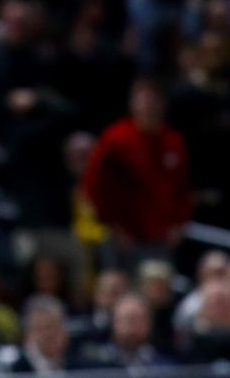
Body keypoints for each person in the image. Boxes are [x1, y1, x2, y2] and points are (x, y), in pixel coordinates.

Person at [81, 78, 191, 264]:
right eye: (143, 101)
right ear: (133, 104)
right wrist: (113, 225)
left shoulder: (173, 141)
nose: (148, 107)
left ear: (162, 104)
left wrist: (179, 224)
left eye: (153, 101)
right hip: (123, 239)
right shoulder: (115, 139)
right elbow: (93, 186)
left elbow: (182, 187)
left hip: (161, 237)